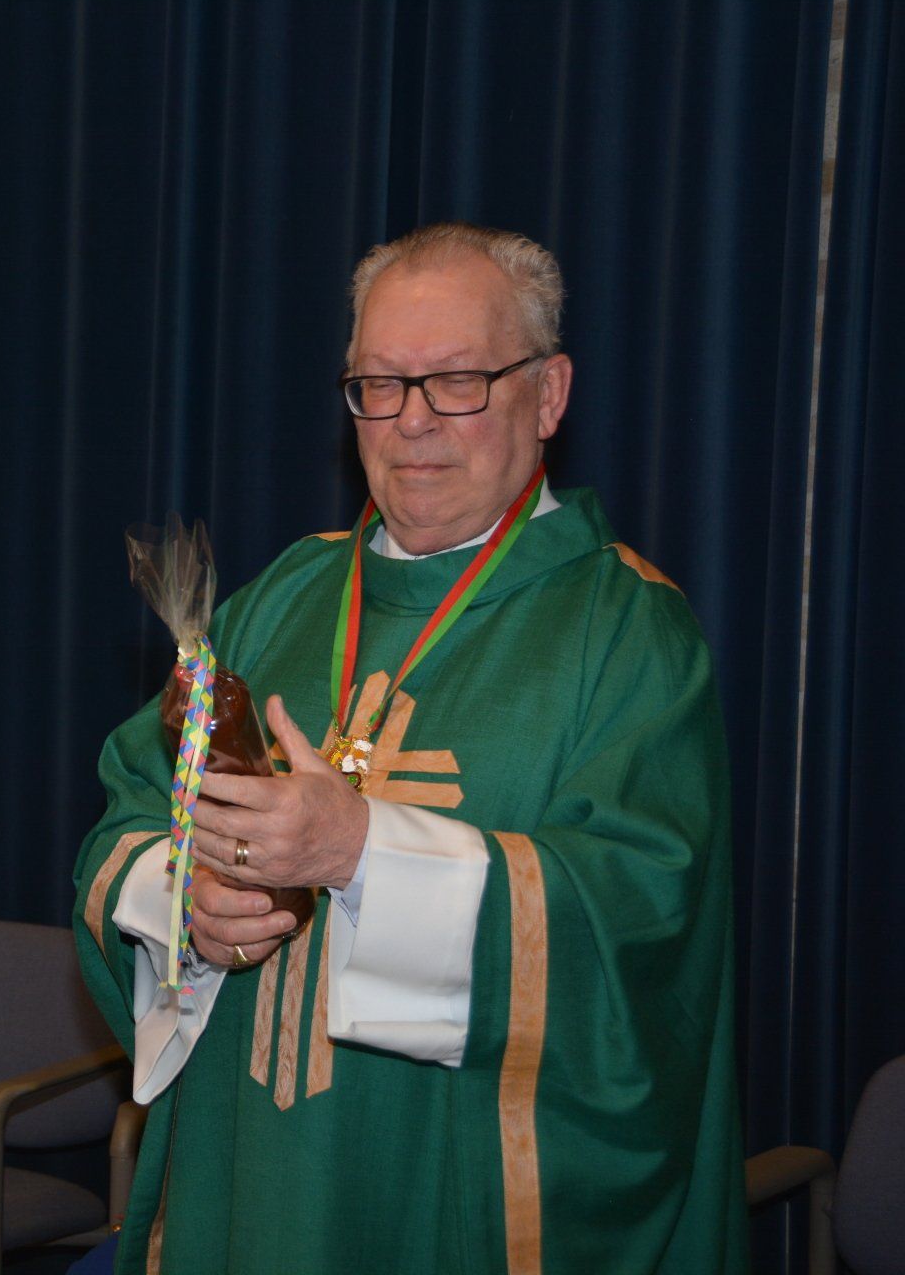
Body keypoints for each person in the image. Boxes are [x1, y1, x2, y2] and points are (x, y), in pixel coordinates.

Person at [75, 222, 746, 1273]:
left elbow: (641, 927)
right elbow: (130, 811)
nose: (413, 420)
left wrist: (361, 852)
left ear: (549, 394)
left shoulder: (627, 633)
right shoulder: (280, 596)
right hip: (246, 1183)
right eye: (380, 384)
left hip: (449, 1193)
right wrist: (187, 906)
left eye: (459, 382)